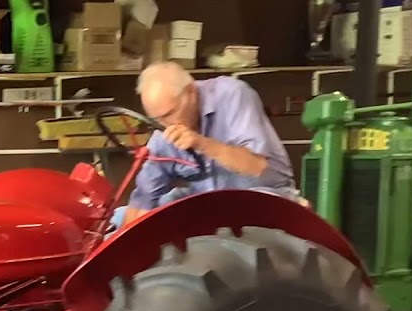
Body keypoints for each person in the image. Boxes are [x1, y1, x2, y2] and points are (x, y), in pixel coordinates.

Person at [118, 62, 299, 228]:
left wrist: (201, 143)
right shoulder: (163, 131)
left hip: (261, 193)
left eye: (169, 114)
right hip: (209, 204)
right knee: (129, 216)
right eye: (156, 119)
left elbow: (256, 166)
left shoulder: (232, 95)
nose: (165, 125)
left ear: (191, 92)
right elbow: (143, 200)